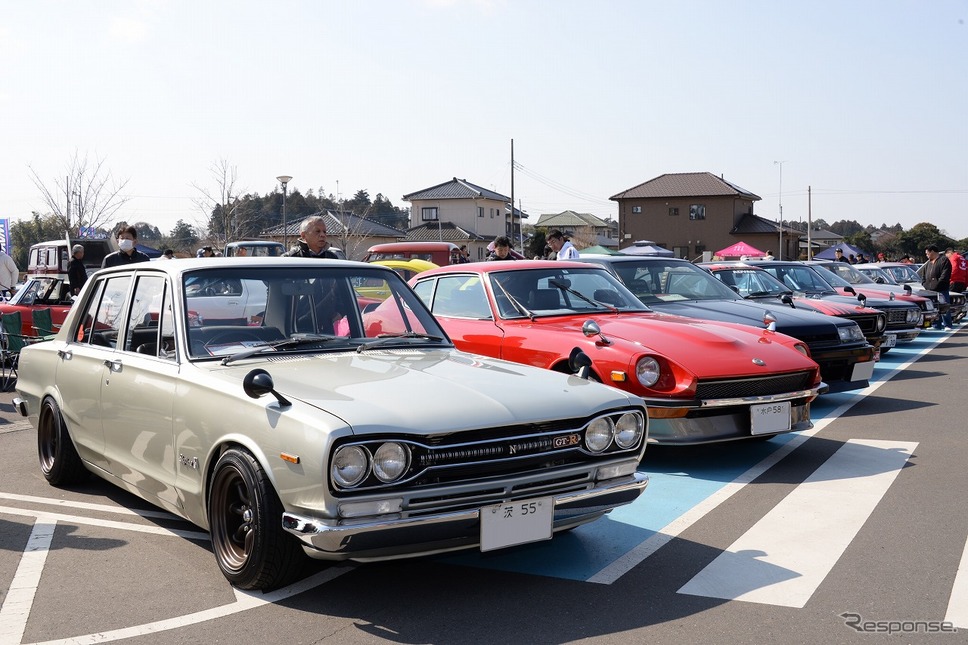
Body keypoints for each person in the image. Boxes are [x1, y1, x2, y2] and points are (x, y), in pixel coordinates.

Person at [919, 244, 953, 330]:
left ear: (932, 252)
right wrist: (925, 285)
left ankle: (947, 324)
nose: (927, 256)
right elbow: (923, 277)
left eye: (927, 253)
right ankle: (936, 324)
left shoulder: (943, 260)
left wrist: (936, 285)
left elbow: (944, 276)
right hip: (930, 290)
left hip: (942, 289)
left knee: (944, 306)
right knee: (934, 308)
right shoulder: (928, 264)